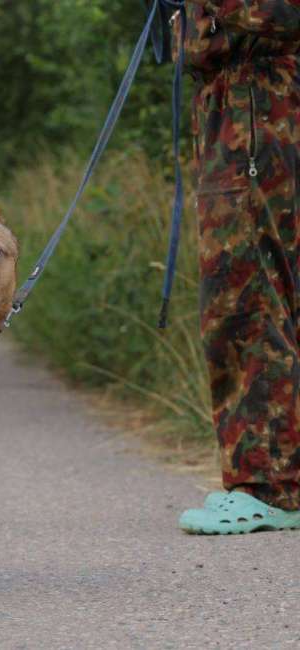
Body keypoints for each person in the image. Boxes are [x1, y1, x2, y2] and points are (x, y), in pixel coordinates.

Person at [175, 0, 300, 534]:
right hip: (243, 117)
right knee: (269, 296)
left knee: (244, 300)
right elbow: (197, 44)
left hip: (257, 123)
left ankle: (266, 486)